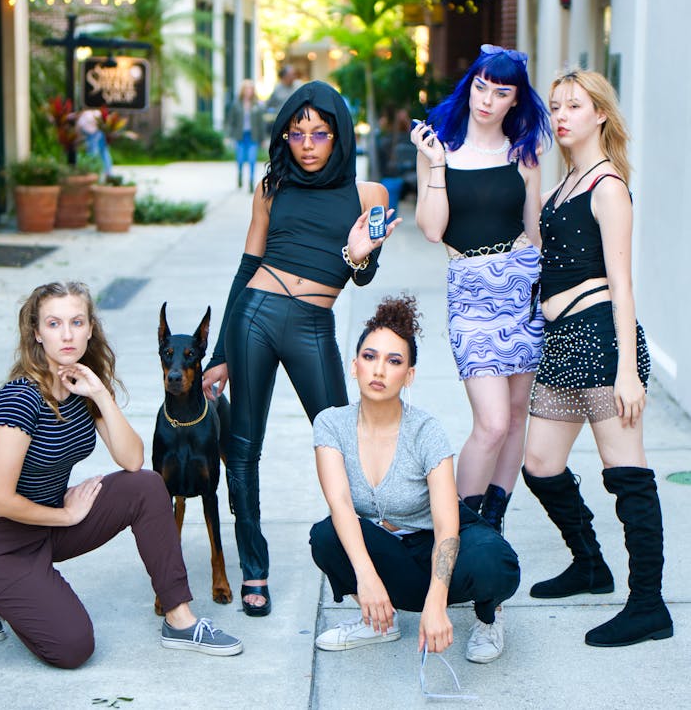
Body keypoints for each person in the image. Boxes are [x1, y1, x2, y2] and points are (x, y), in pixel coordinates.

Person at [0, 280, 242, 668]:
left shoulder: (82, 386)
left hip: (44, 527)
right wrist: (65, 516)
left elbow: (134, 460)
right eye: (54, 324)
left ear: (91, 329)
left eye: (77, 321)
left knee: (147, 486)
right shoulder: (20, 398)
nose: (68, 333)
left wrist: (100, 394)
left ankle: (180, 619)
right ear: (36, 333)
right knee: (73, 647)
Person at [201, 80, 397, 618]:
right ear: (284, 136)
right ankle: (253, 568)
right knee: (242, 447)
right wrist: (219, 351)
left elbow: (362, 277)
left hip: (314, 325)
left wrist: (359, 254)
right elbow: (247, 267)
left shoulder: (370, 196)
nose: (307, 144)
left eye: (319, 133)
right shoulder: (271, 188)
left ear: (338, 136)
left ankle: (368, 563)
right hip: (254, 319)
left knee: (343, 439)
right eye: (297, 133)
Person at [522, 69, 673, 648]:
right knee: (538, 463)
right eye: (556, 106)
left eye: (574, 106)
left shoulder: (607, 185)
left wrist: (630, 373)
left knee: (627, 473)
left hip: (601, 339)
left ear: (600, 114)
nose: (561, 115)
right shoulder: (567, 181)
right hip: (560, 341)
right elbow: (544, 247)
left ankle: (648, 605)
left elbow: (622, 283)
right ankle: (589, 563)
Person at [309, 295, 520, 662]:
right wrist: (367, 579)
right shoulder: (331, 424)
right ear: (354, 366)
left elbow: (446, 526)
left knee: (495, 563)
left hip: (435, 543)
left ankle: (489, 618)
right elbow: (340, 505)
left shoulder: (426, 431)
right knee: (325, 536)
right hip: (390, 551)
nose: (379, 370)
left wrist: (436, 604)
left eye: (394, 361)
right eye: (370, 357)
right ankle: (378, 620)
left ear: (408, 376)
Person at [411, 44, 551, 531]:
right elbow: (432, 230)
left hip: (522, 289)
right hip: (471, 293)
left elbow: (534, 230)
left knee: (515, 418)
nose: (487, 99)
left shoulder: (524, 154)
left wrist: (547, 291)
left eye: (501, 92)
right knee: (490, 423)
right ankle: (459, 533)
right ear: (470, 85)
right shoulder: (440, 148)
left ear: (516, 100)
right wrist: (434, 165)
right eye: (481, 86)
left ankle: (493, 527)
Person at [226, 79, 266, 192]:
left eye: (251, 89)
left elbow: (261, 124)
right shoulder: (236, 104)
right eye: (247, 89)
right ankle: (239, 175)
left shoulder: (257, 105)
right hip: (240, 136)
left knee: (252, 159)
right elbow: (231, 121)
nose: (249, 91)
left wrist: (262, 139)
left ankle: (251, 182)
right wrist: (228, 136)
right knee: (240, 159)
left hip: (252, 136)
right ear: (243, 91)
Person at [77, 107, 113, 175]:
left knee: (94, 153)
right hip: (95, 134)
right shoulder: (94, 113)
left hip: (94, 134)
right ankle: (106, 172)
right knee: (102, 152)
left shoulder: (89, 113)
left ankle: (96, 172)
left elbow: (80, 126)